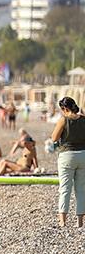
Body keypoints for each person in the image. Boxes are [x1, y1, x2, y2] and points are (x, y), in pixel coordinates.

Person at [49, 96, 85, 228]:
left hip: (67, 155)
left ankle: (63, 221)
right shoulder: (83, 119)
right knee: (81, 189)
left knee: (65, 189)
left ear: (64, 108)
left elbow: (54, 138)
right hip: (83, 155)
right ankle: (80, 222)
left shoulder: (64, 120)